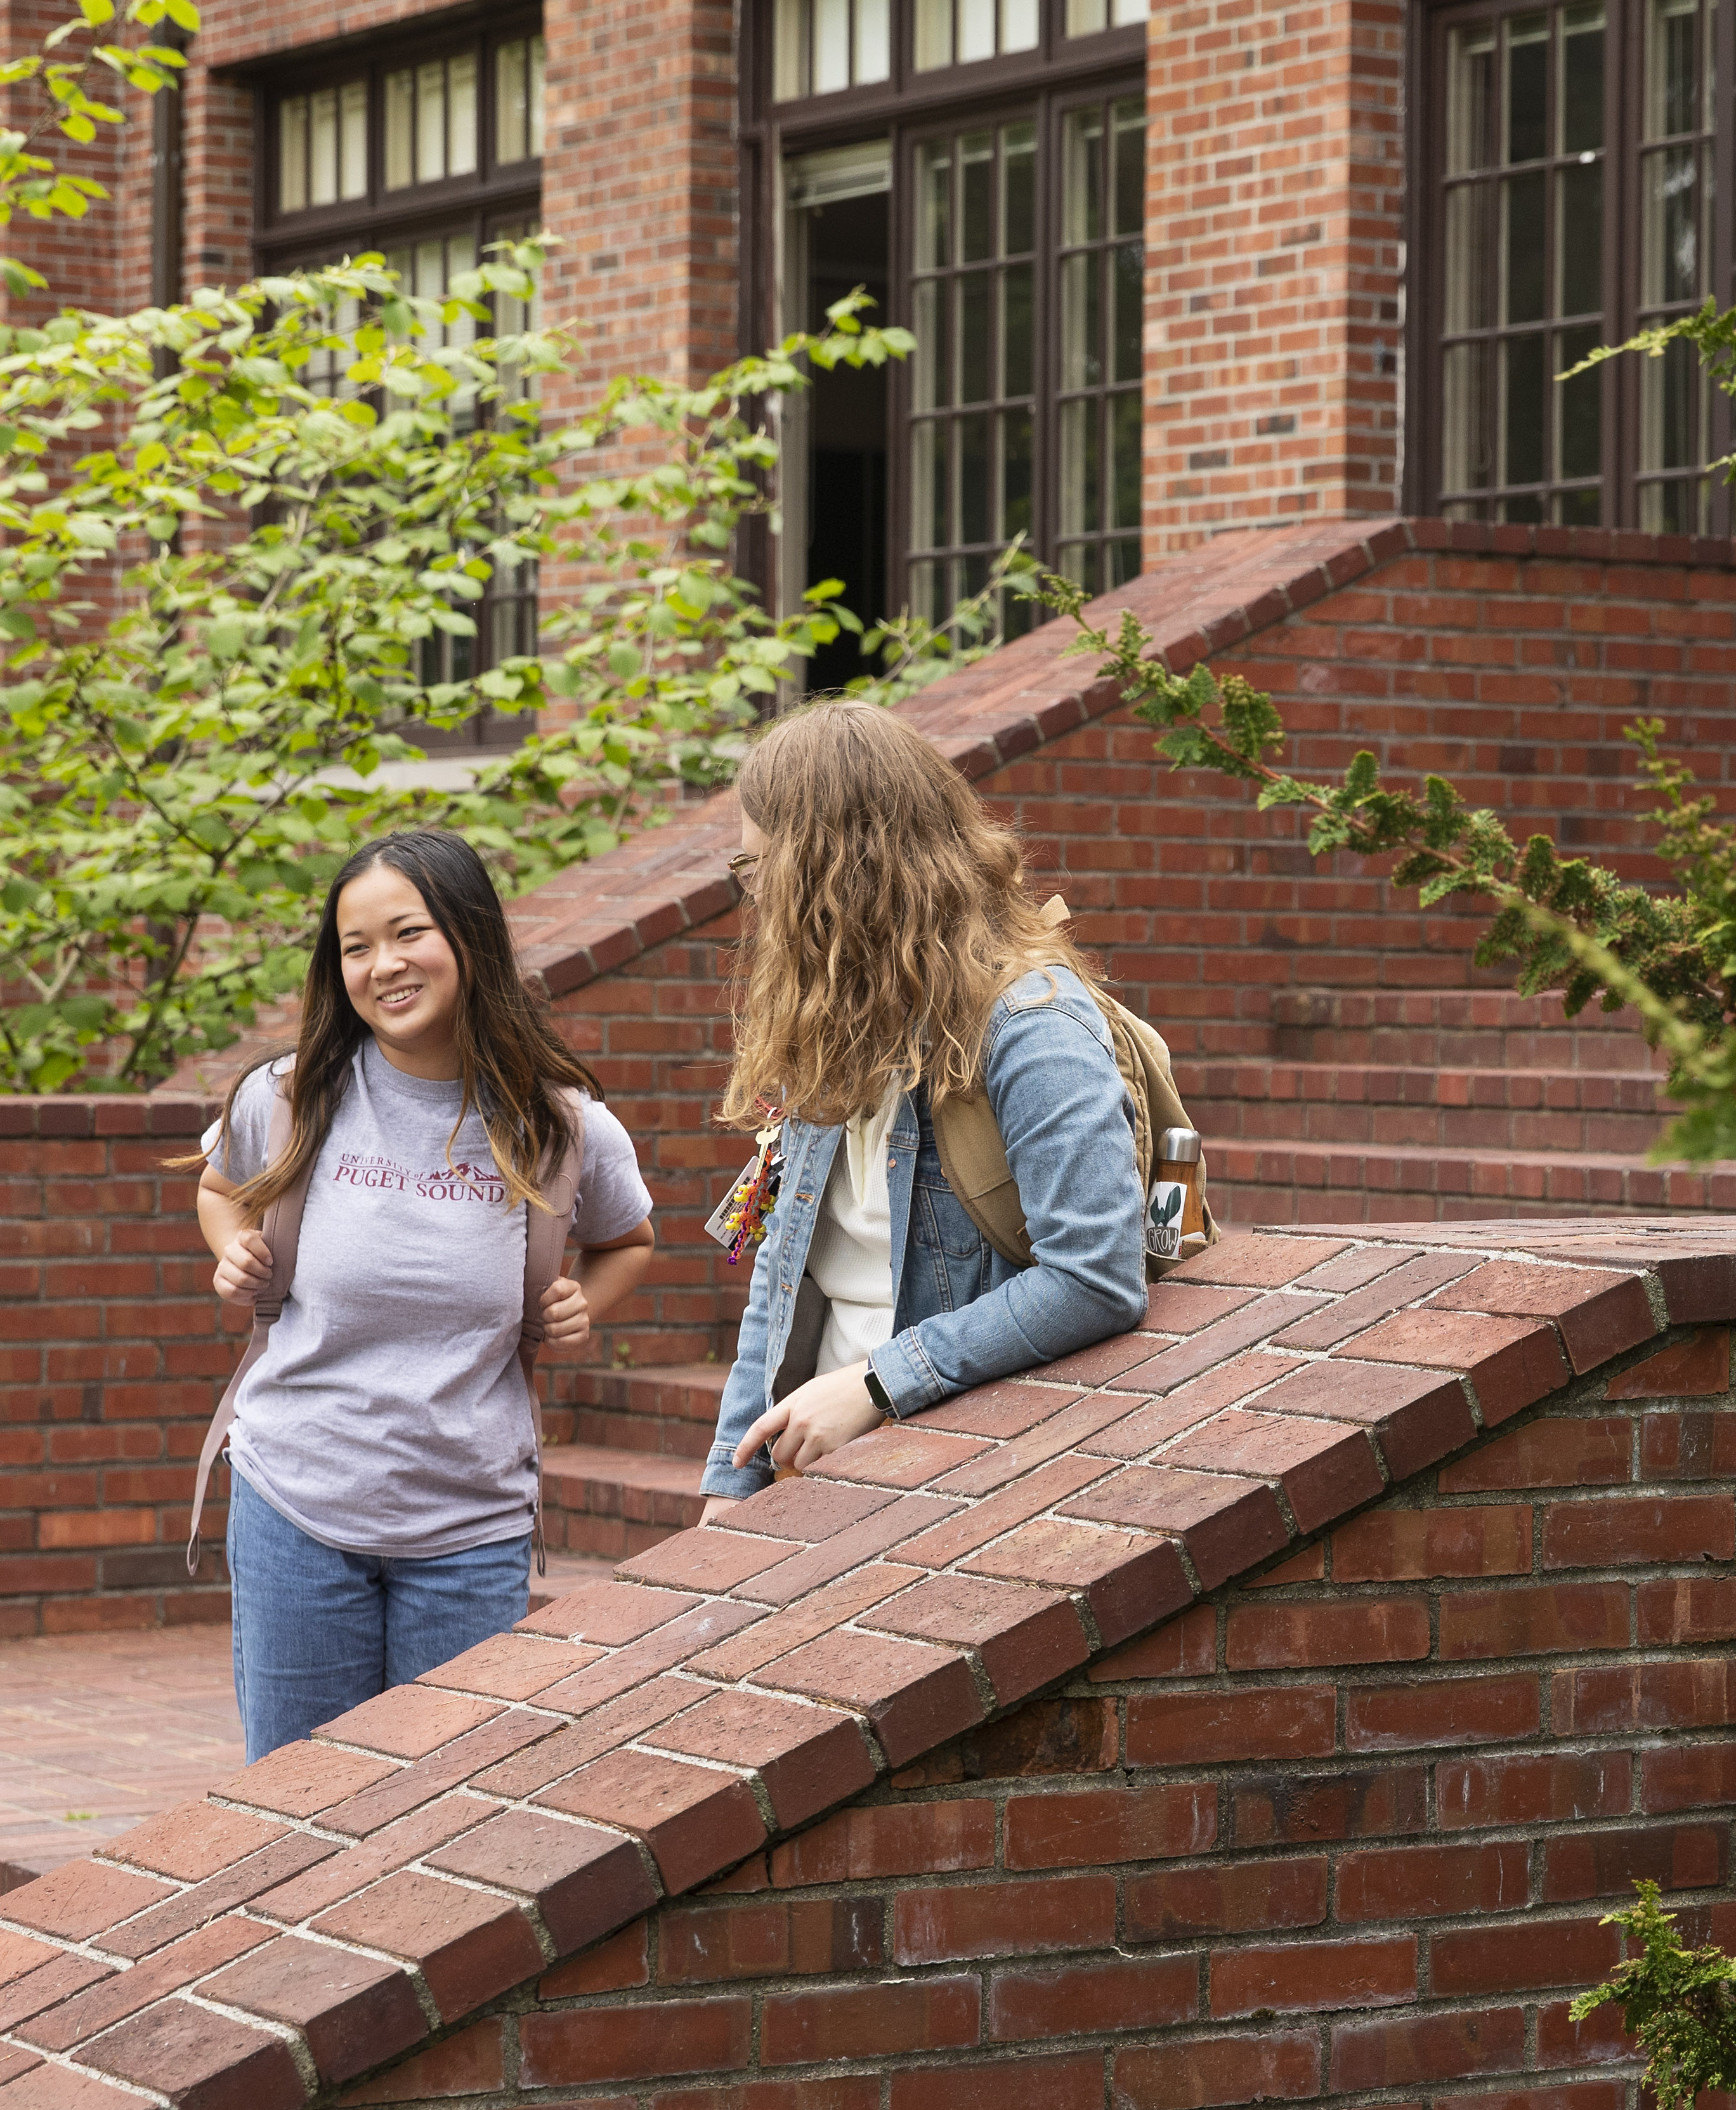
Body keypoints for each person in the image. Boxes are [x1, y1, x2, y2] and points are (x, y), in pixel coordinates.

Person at [196, 829, 657, 1760]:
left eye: (406, 933)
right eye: (355, 947)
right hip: (297, 1503)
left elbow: (629, 1240)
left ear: (469, 936)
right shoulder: (290, 1096)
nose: (382, 966)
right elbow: (218, 1187)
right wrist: (234, 1247)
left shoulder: (561, 1124)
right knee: (294, 1805)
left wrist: (584, 1302)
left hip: (470, 1524)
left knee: (446, 1804)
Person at [702, 699, 1149, 1507]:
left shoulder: (1032, 1025)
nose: (755, 897)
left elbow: (1095, 1278)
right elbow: (780, 1276)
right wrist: (728, 1488)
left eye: (761, 868)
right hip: (816, 1472)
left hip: (956, 1482)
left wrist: (875, 1385)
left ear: (834, 872)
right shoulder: (838, 1018)